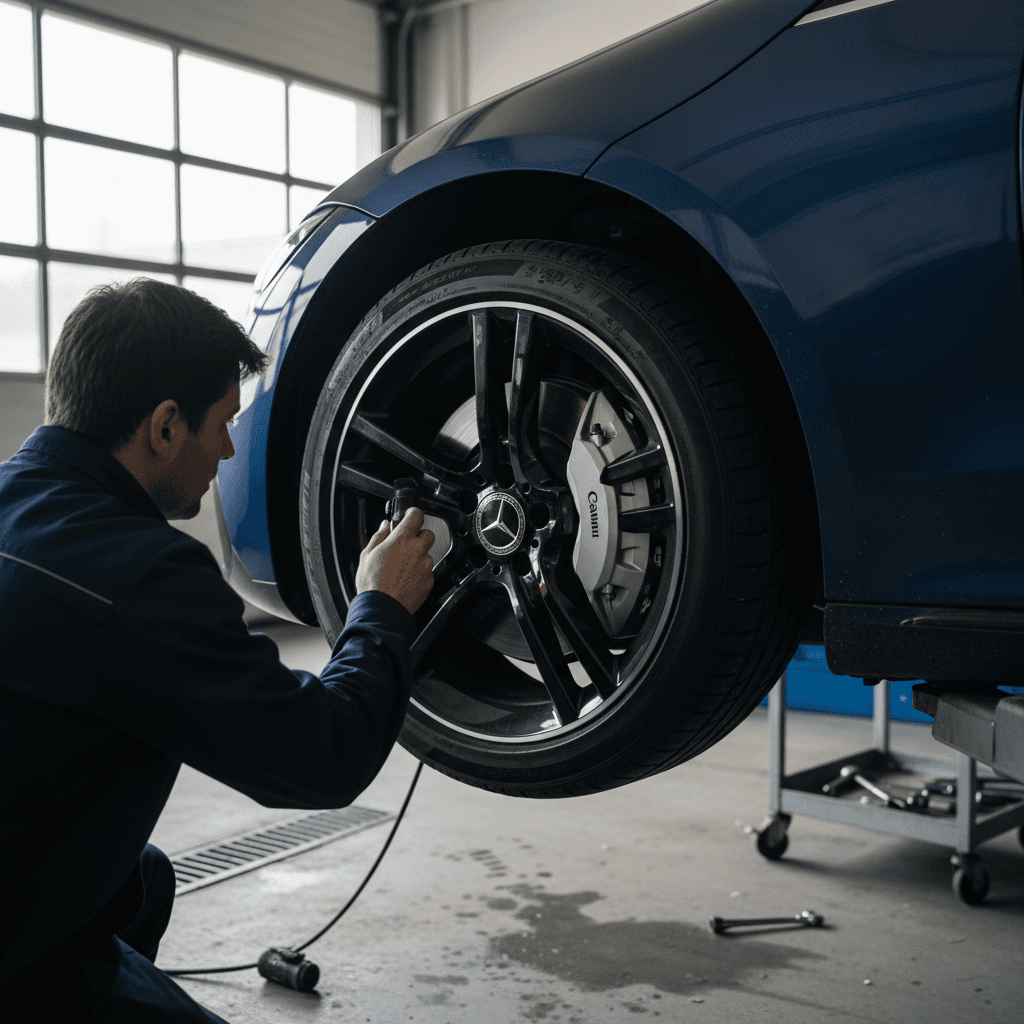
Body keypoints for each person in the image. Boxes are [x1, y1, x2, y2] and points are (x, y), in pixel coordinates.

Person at [0, 278, 435, 1021]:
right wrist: (381, 608)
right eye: (223, 423)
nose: (229, 449)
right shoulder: (138, 575)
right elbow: (321, 756)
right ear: (166, 427)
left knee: (145, 881)